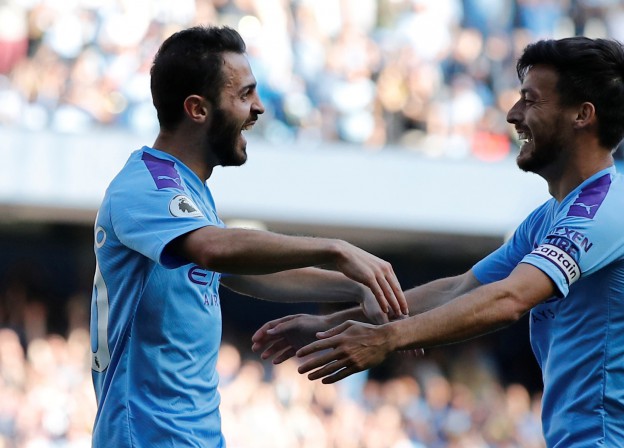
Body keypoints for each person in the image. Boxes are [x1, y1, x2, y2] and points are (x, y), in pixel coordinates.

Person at [253, 37, 624, 447]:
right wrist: (329, 326)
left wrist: (389, 339)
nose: (513, 114)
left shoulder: (603, 209)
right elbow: (462, 288)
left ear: (582, 115)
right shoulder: (551, 217)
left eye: (530, 100)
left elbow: (509, 299)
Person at [89, 25, 407, 447]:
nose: (258, 108)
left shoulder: (187, 192)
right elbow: (216, 251)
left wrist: (357, 286)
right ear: (198, 109)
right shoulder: (146, 185)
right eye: (244, 95)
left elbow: (238, 271)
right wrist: (336, 250)